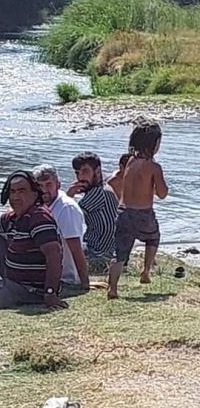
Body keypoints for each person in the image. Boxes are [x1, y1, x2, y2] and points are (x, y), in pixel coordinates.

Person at [0, 171, 67, 311]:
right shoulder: (13, 217)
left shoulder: (39, 218)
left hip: (31, 289)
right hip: (14, 278)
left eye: (22, 191)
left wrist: (50, 293)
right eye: (13, 192)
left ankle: (18, 297)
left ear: (34, 193)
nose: (16, 196)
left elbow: (54, 255)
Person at [108, 118, 168, 299]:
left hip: (123, 212)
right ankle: (146, 271)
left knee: (120, 252)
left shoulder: (130, 162)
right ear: (154, 144)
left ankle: (112, 288)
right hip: (144, 213)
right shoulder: (154, 167)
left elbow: (114, 180)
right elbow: (162, 193)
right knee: (153, 238)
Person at [32, 164, 90, 291]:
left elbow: (75, 248)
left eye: (48, 184)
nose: (44, 190)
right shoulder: (39, 204)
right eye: (40, 186)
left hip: (64, 278)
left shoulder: (66, 208)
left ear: (58, 185)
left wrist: (84, 283)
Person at [66, 152, 118, 271]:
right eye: (77, 173)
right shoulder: (106, 189)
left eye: (85, 172)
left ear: (97, 171)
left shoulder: (97, 193)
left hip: (99, 254)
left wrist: (69, 195)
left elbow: (67, 216)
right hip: (109, 251)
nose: (80, 177)